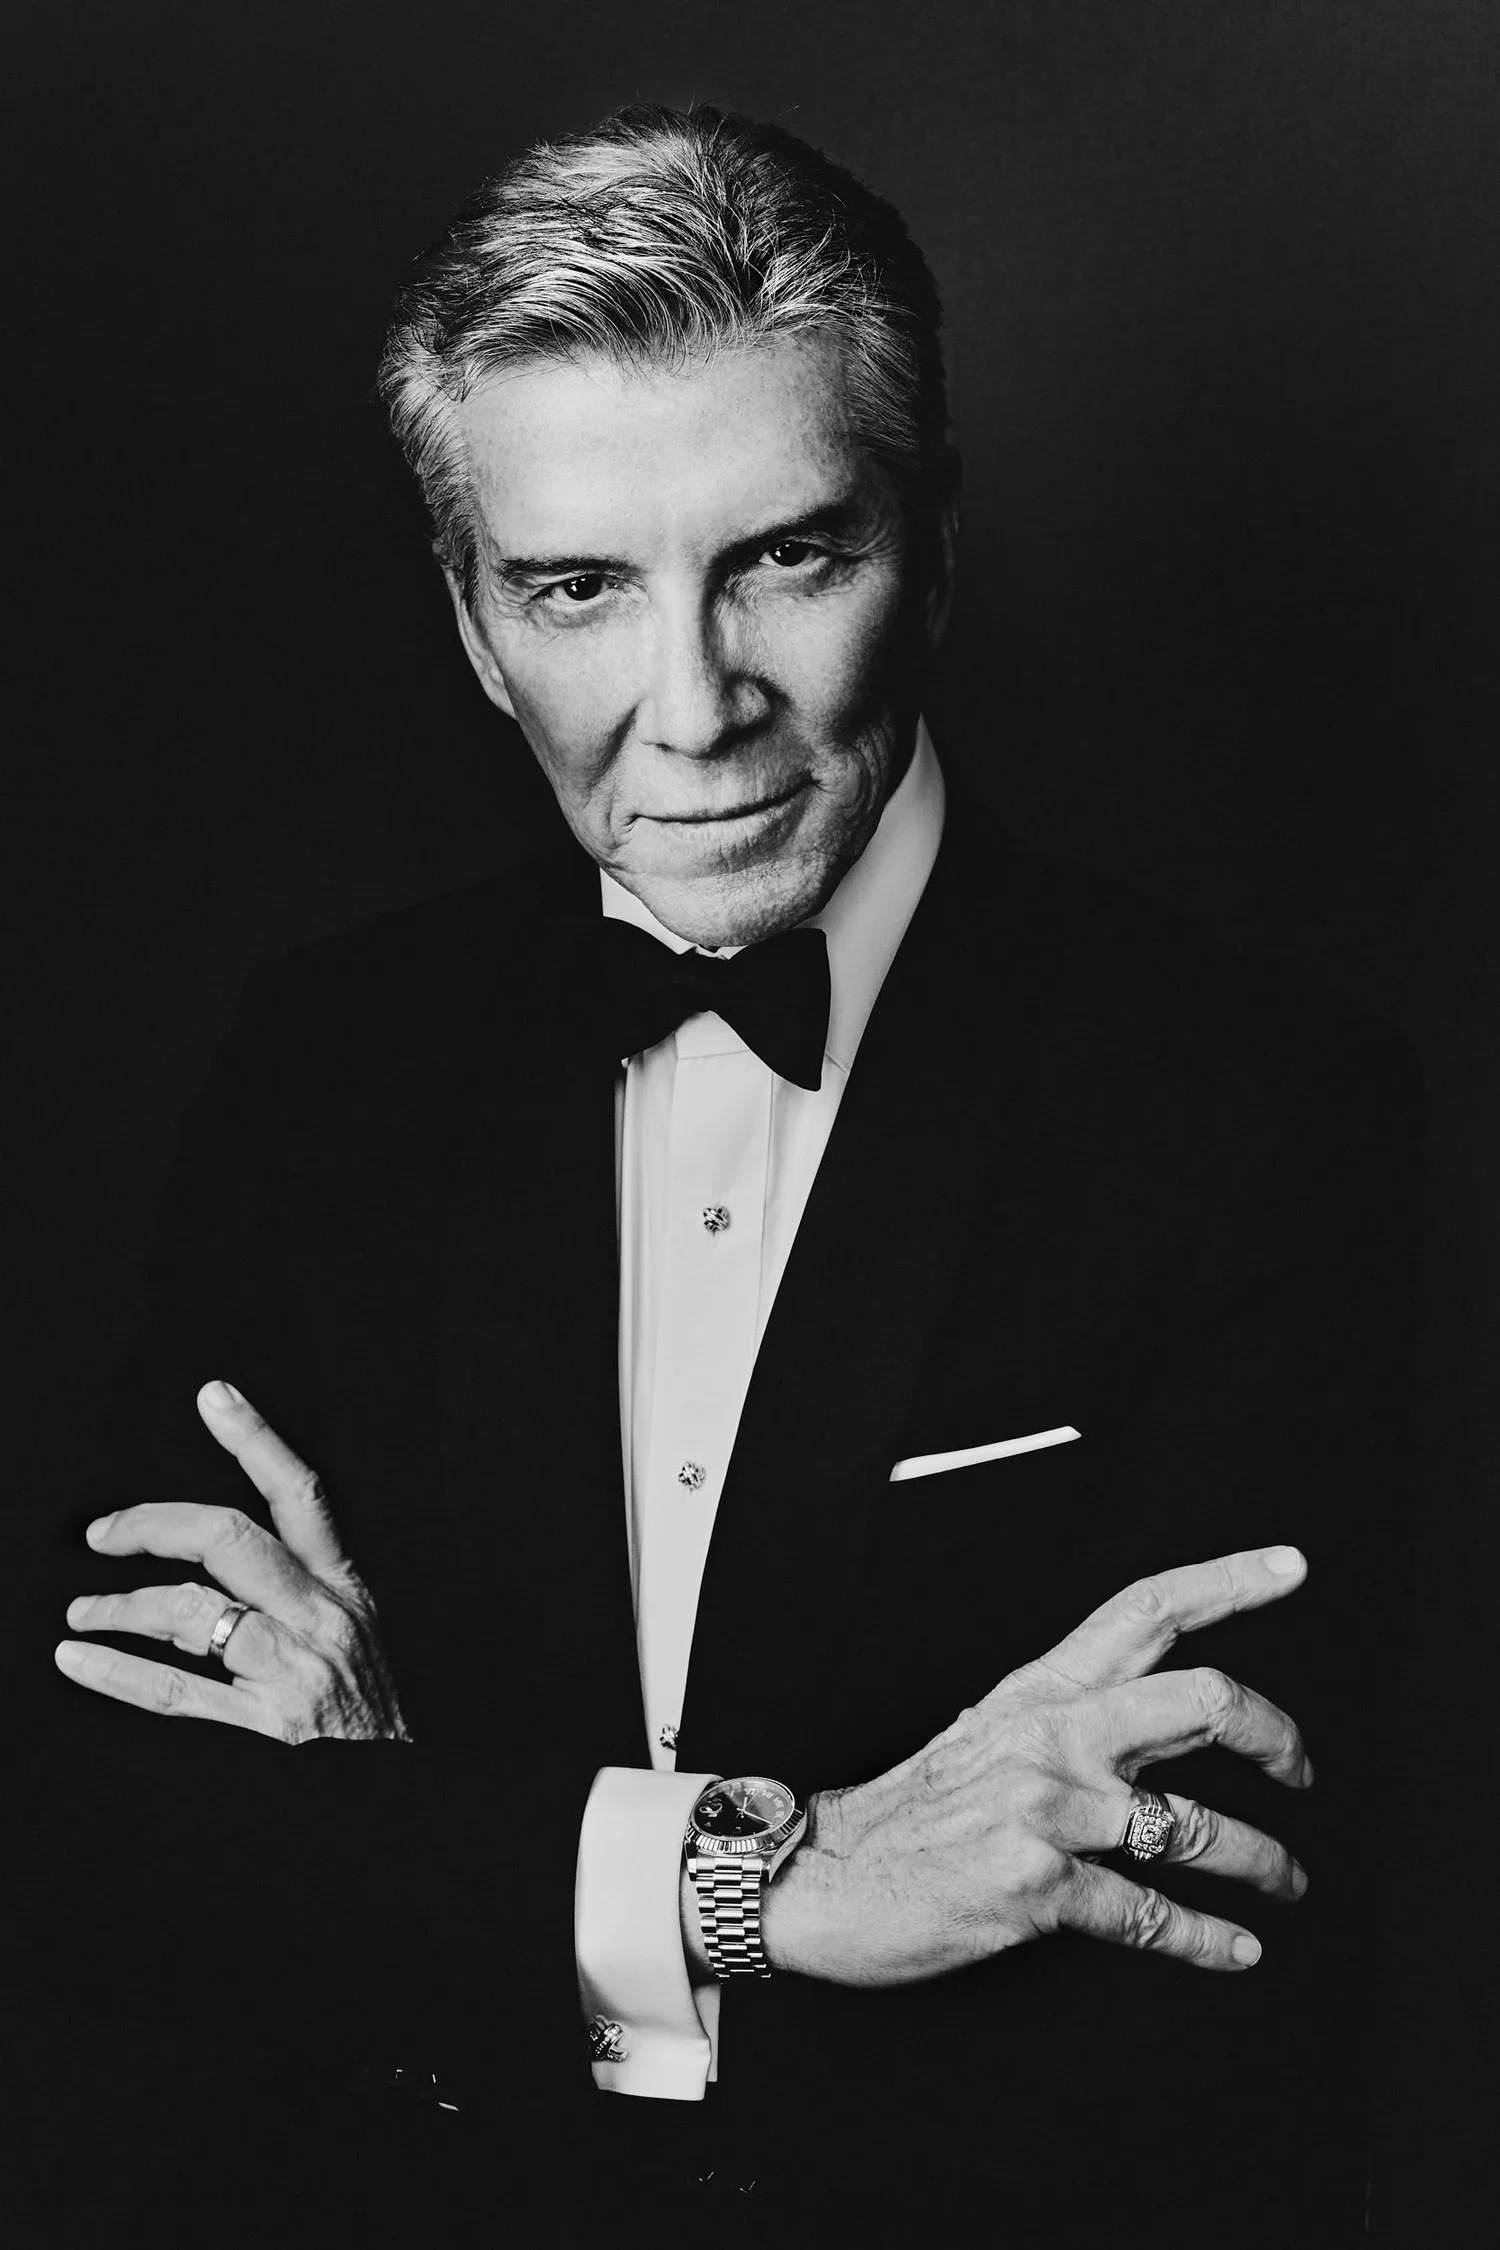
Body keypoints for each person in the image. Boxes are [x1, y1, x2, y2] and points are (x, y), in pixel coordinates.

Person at [18, 106, 1418, 2246]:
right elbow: (129, 1848)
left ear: (932, 550)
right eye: (579, 588)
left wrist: (415, 1828)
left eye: (786, 558)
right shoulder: (323, 1062)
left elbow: (1218, 1968)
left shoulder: (1270, 1104)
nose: (693, 709)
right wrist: (783, 1885)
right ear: (477, 625)